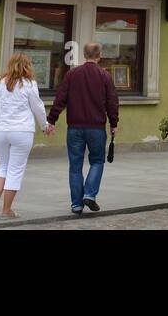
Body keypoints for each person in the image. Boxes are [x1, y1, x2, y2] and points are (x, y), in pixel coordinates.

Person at [47, 41, 120, 216]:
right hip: (96, 127)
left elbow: (61, 98)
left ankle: (76, 205)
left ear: (84, 55)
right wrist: (114, 123)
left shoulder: (72, 74)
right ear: (99, 55)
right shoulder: (105, 76)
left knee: (75, 166)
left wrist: (52, 119)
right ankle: (89, 194)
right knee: (97, 161)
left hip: (75, 127)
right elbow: (112, 102)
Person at [0, 53, 51, 219]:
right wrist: (44, 125)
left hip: (1, 131)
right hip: (22, 131)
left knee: (2, 166)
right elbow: (38, 107)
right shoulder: (29, 84)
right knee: (15, 170)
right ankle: (7, 210)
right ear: (27, 66)